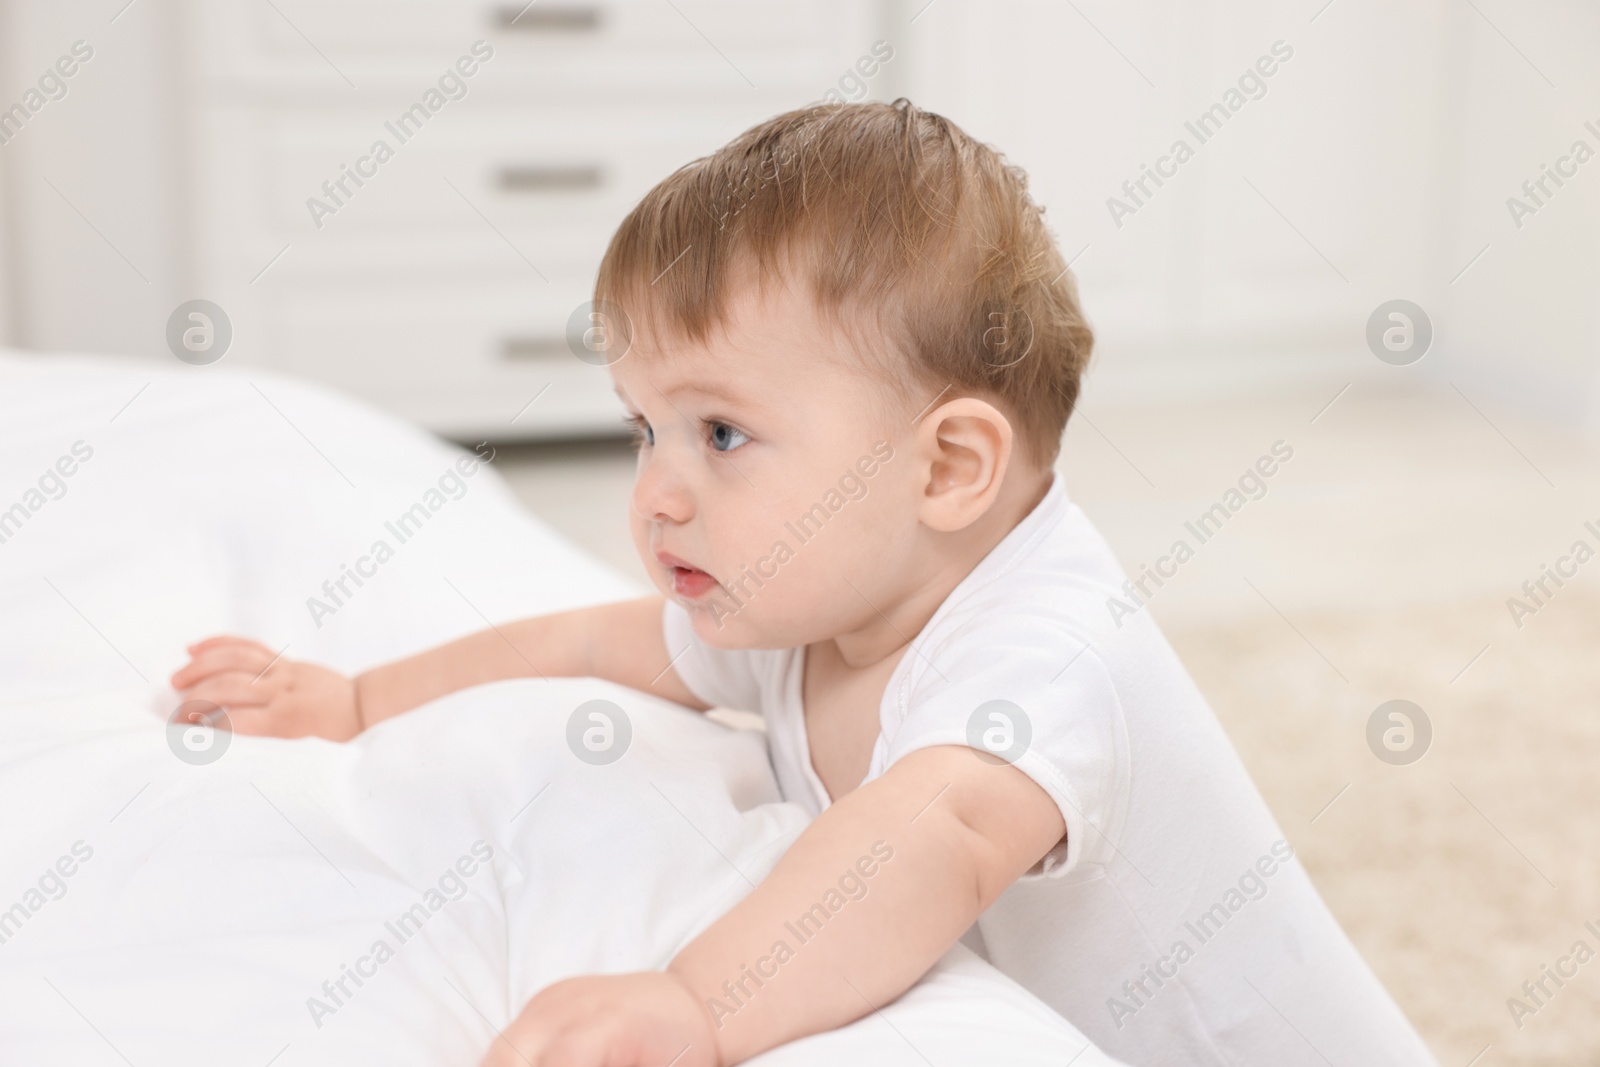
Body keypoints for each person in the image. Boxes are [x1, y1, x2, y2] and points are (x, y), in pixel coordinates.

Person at [171, 100, 1436, 1066]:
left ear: (946, 466)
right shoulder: (813, 597)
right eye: (641, 427)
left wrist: (697, 1003)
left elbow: (924, 837)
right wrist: (355, 697)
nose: (658, 491)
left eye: (720, 433)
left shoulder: (1045, 653)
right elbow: (605, 644)